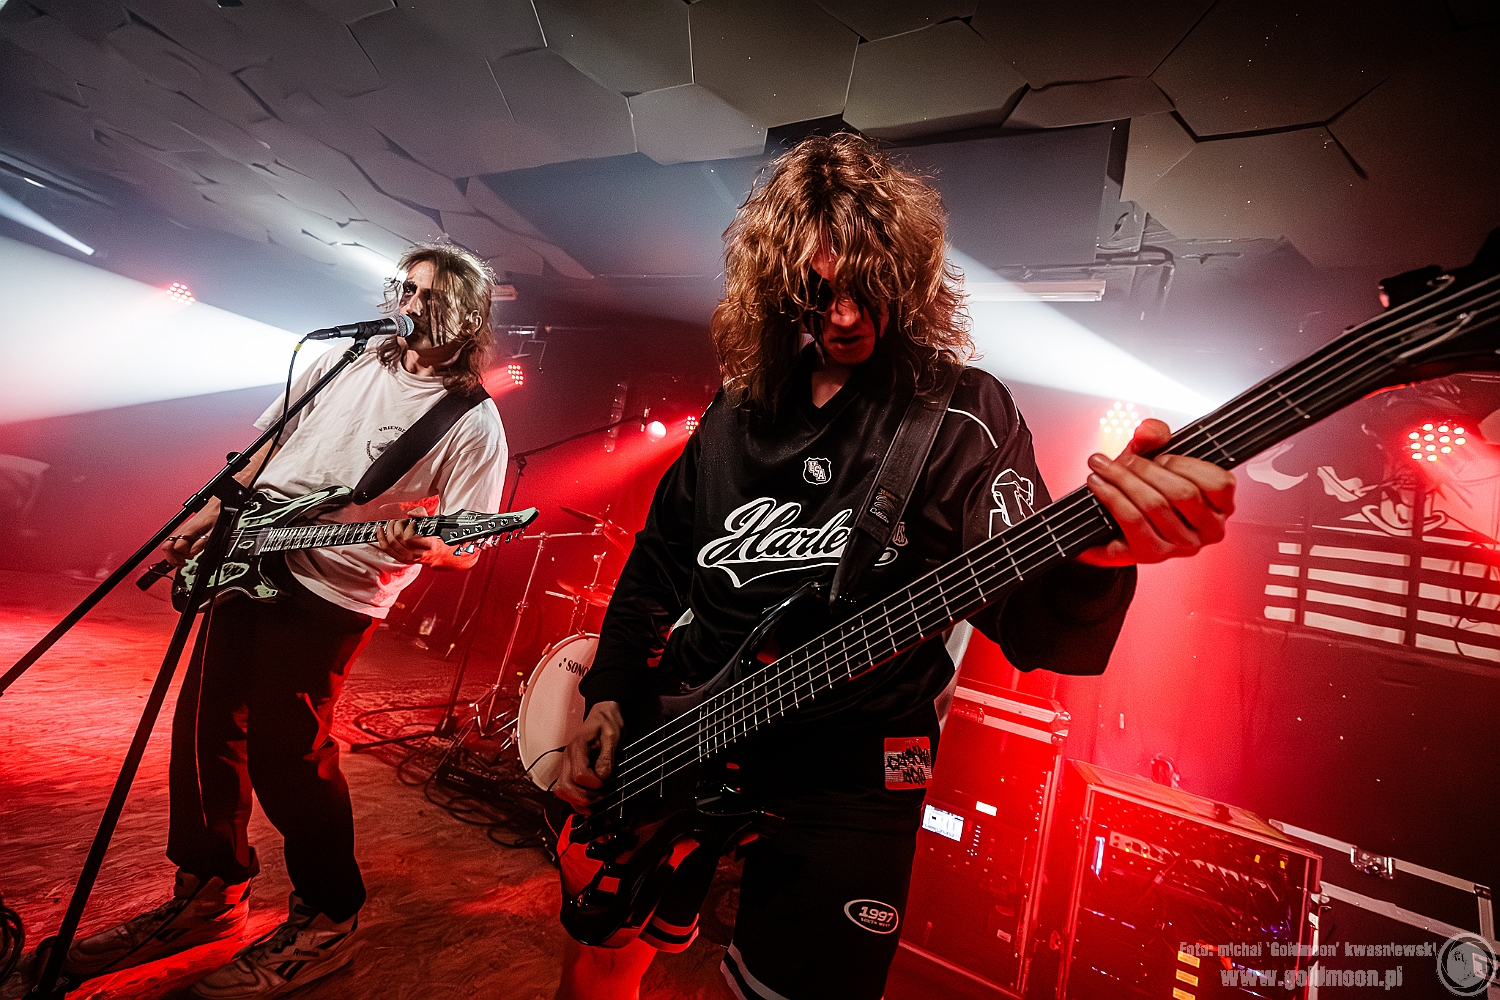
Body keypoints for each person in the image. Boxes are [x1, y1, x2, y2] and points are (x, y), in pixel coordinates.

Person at [552, 134, 1236, 1000]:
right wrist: (612, 690)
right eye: (819, 291)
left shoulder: (963, 417)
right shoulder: (736, 411)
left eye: (868, 286)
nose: (844, 316)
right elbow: (657, 562)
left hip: (850, 778)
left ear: (908, 277)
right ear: (778, 287)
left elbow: (1034, 625)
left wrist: (1097, 557)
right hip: (678, 737)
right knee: (601, 962)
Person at [61, 244, 508, 998]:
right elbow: (266, 447)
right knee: (206, 726)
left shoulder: (471, 420)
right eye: (406, 288)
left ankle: (329, 916)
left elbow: (470, 542)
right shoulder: (341, 360)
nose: (409, 303)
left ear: (468, 316)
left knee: (287, 753)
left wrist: (429, 549)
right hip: (247, 555)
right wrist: (208, 511)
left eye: (430, 295)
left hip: (335, 589)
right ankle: (211, 891)